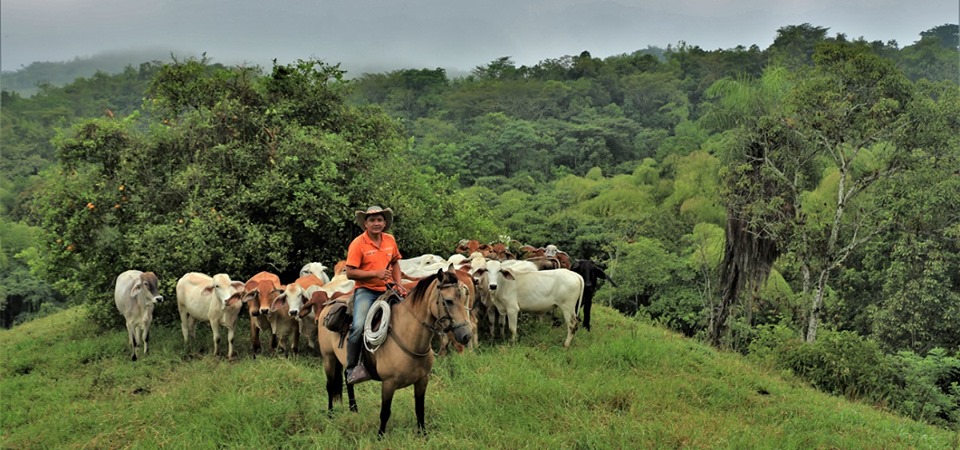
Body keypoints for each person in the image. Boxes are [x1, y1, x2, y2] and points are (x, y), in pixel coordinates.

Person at [344, 205, 407, 385]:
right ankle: (352, 369)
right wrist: (375, 274)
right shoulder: (358, 243)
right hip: (366, 290)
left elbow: (395, 263)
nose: (376, 223)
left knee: (410, 316)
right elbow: (350, 273)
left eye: (379, 220)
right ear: (365, 223)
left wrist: (398, 284)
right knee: (357, 327)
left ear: (385, 223)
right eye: (372, 220)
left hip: (388, 289)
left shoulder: (390, 240)